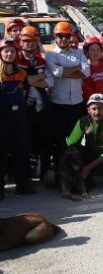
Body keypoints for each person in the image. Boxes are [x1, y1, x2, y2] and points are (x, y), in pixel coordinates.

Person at [45, 21, 90, 178]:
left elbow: (87, 72)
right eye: (60, 36)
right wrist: (76, 68)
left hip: (77, 104)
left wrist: (65, 71)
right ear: (55, 37)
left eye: (66, 36)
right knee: (59, 142)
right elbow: (57, 73)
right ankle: (60, 175)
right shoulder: (50, 55)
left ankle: (76, 174)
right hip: (58, 104)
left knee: (76, 142)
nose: (63, 39)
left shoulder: (78, 53)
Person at [16, 26, 53, 179]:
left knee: (45, 140)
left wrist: (28, 80)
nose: (29, 43)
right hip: (23, 107)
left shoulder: (41, 60)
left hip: (41, 106)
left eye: (32, 40)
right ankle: (25, 176)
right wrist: (36, 78)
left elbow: (50, 82)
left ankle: (44, 173)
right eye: (26, 41)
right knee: (24, 142)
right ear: (21, 42)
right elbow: (19, 81)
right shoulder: (14, 59)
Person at [65, 94, 103, 190]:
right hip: (91, 152)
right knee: (75, 150)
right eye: (94, 109)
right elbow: (71, 142)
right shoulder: (82, 121)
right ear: (88, 110)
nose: (97, 112)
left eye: (100, 108)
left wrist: (87, 168)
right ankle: (87, 177)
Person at [0, 38, 35, 198]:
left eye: (12, 51)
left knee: (21, 150)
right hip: (2, 118)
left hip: (19, 116)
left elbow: (25, 93)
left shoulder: (22, 73)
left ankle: (23, 185)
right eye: (6, 51)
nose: (9, 54)